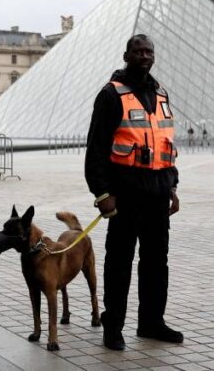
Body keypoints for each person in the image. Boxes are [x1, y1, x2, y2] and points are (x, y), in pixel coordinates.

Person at [84, 34, 183, 349]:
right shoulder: (111, 94)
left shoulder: (161, 93)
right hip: (125, 195)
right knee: (119, 263)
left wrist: (173, 186)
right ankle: (113, 327)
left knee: (157, 262)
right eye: (138, 51)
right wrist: (102, 194)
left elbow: (165, 144)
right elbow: (96, 150)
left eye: (149, 51)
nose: (144, 56)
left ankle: (152, 322)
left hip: (157, 193)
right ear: (126, 55)